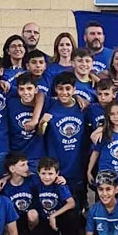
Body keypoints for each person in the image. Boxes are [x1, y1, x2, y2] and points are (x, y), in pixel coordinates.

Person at [39, 72, 88, 214]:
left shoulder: (82, 107)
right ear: (55, 89)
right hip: (56, 164)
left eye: (68, 89)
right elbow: (39, 133)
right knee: (57, 202)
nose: (64, 92)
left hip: (76, 164)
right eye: (60, 89)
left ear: (74, 89)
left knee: (77, 203)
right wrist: (42, 122)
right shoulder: (50, 104)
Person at [28, 157, 81, 235]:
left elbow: (71, 203)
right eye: (43, 173)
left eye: (50, 174)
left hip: (59, 217)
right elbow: (22, 174)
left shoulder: (59, 185)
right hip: (45, 219)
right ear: (38, 173)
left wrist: (53, 215)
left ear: (57, 174)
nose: (47, 177)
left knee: (72, 215)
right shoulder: (36, 183)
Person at [88, 100, 118, 204]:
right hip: (104, 177)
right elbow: (95, 152)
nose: (116, 116)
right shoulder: (104, 133)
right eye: (112, 114)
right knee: (102, 209)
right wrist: (89, 171)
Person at [7, 73, 45, 172]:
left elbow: (42, 95)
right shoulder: (11, 103)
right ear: (17, 90)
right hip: (15, 155)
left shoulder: (46, 103)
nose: (26, 92)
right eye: (22, 89)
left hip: (36, 156)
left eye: (29, 89)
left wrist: (76, 97)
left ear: (36, 90)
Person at [0, 152, 38, 235]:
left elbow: (47, 179)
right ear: (12, 169)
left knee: (33, 215)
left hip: (28, 217)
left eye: (26, 164)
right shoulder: (3, 186)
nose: (27, 167)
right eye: (22, 165)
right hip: (13, 220)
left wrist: (58, 178)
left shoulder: (32, 179)